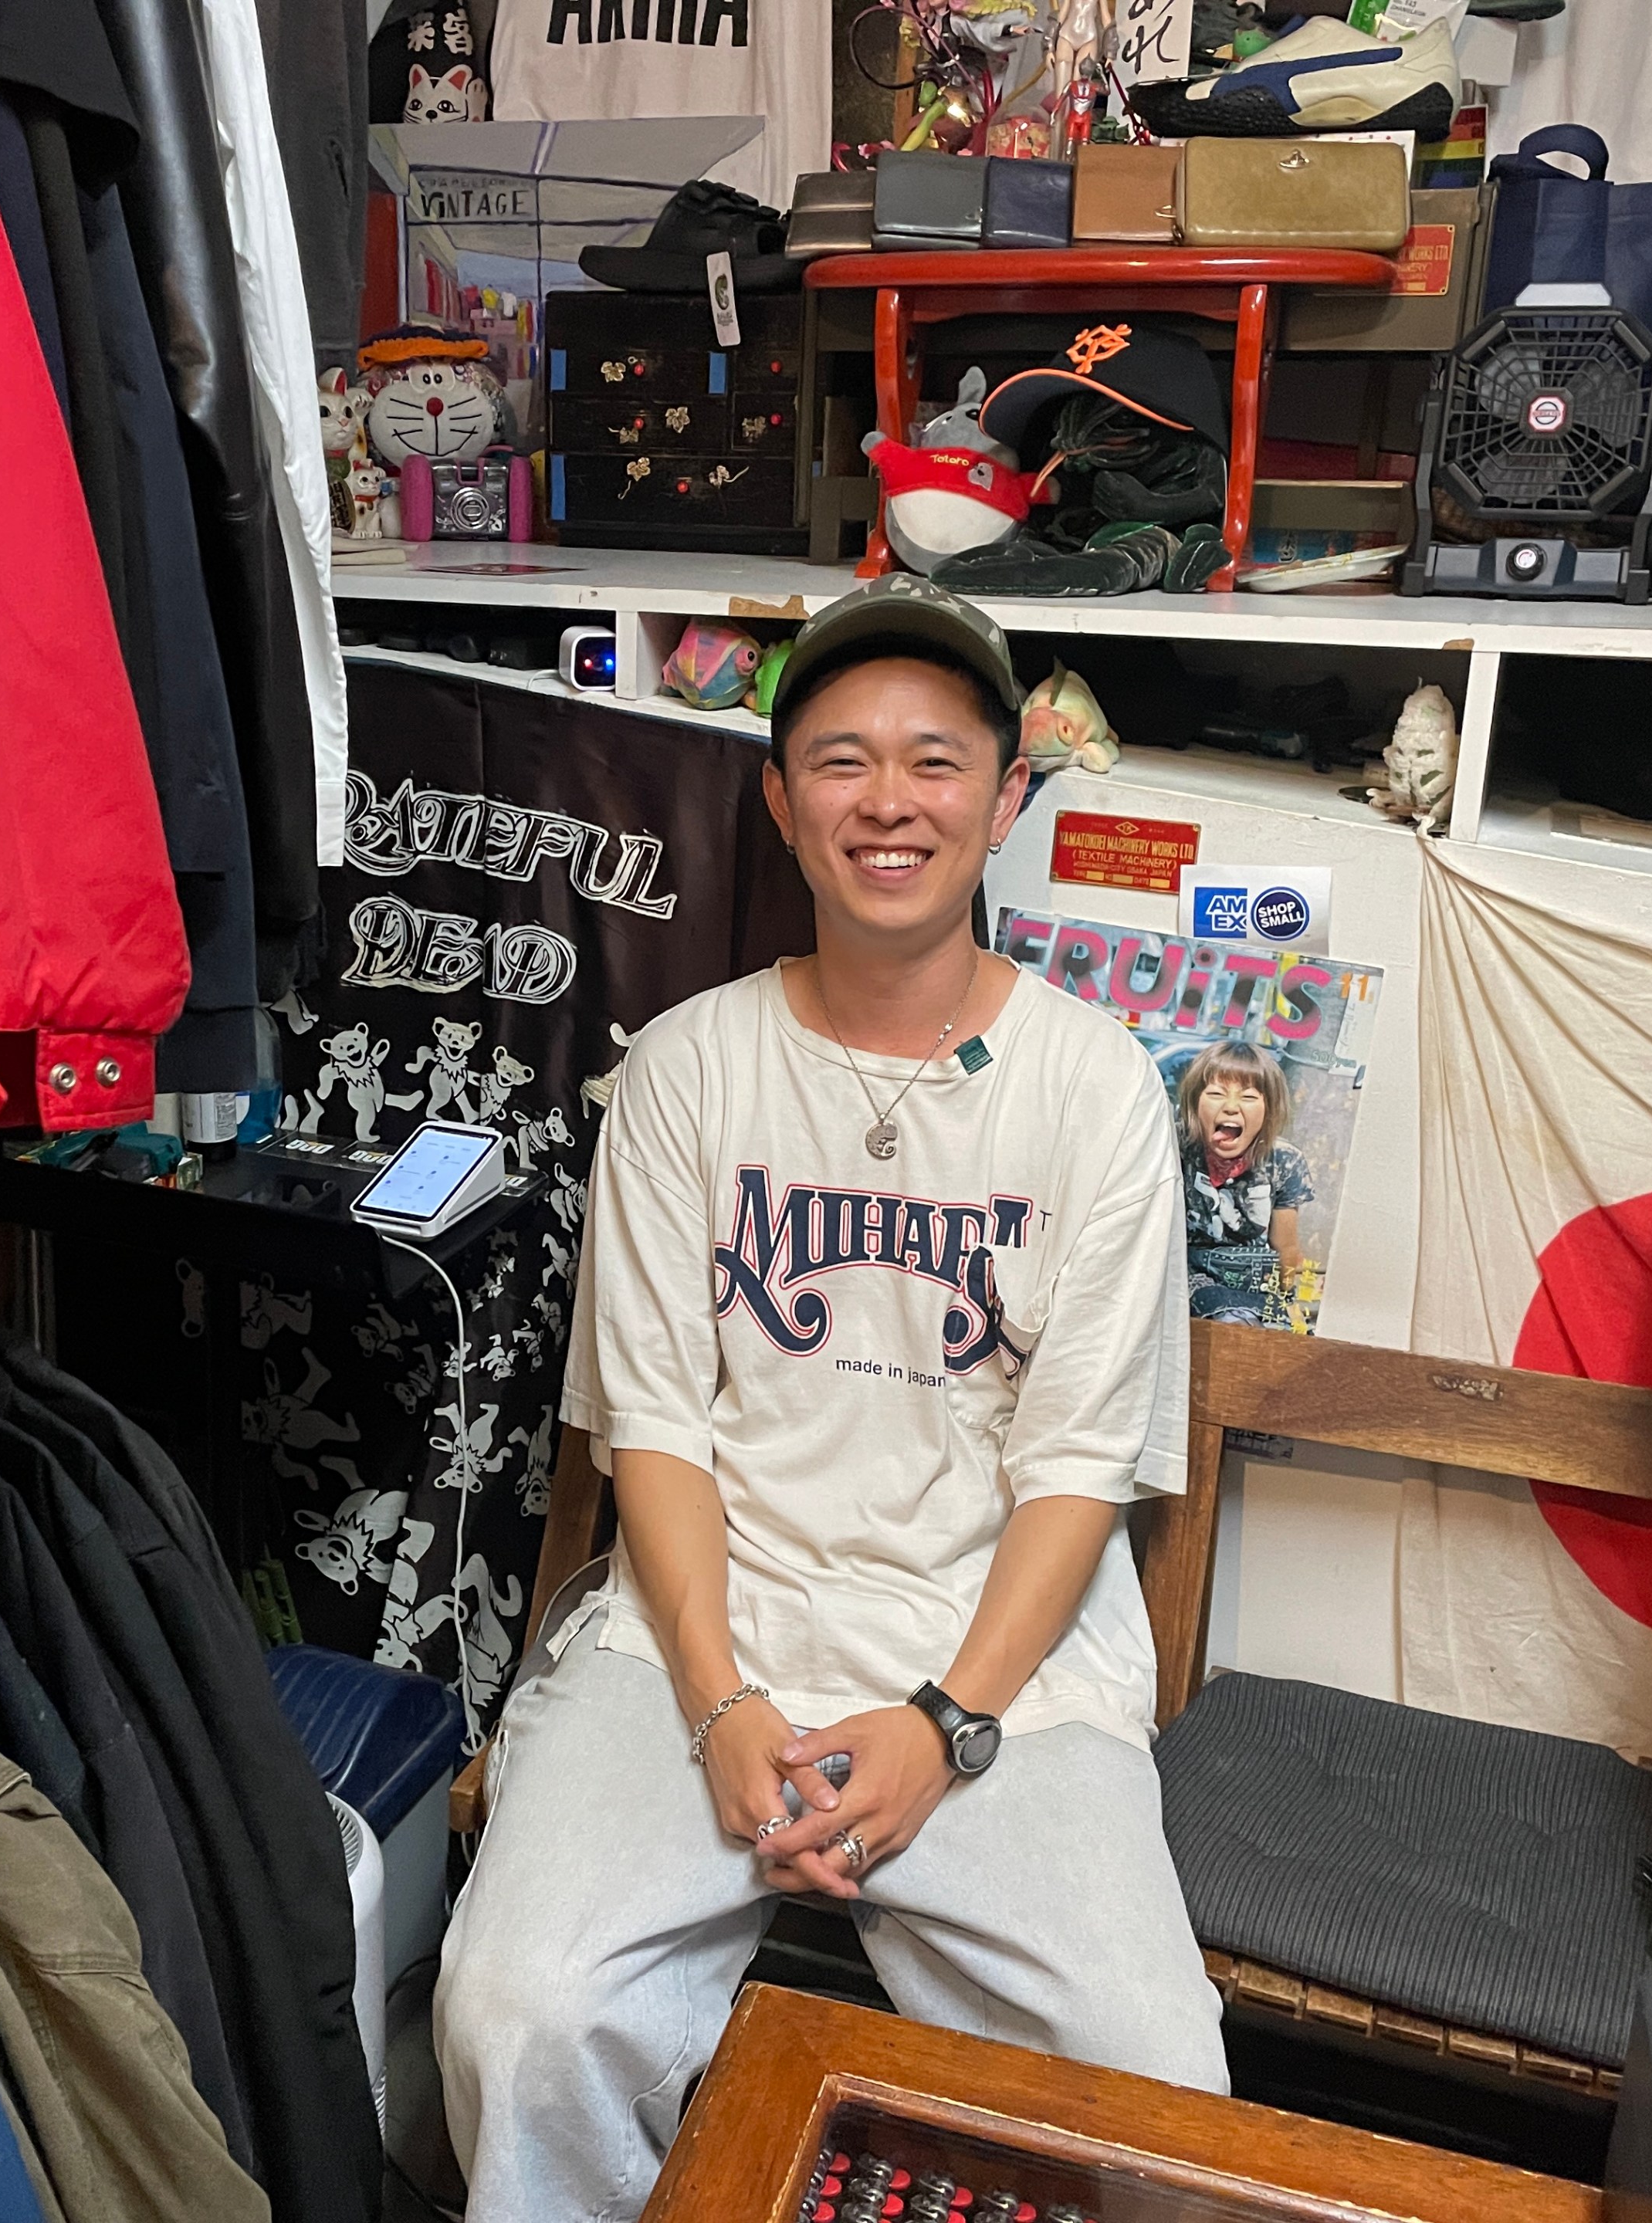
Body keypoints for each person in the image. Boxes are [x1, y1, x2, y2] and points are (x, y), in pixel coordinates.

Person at [434, 575, 1227, 2219]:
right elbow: (651, 1423)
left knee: (1163, 2092)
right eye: (844, 760)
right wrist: (724, 1707)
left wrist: (944, 1727)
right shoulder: (684, 1073)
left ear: (1008, 799)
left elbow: (1081, 1466)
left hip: (997, 1653)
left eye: (938, 762)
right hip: (705, 1631)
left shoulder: (1095, 1091)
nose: (891, 802)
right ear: (782, 803)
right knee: (520, 2017)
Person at [1176, 1040, 1313, 1325]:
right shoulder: (1172, 1147)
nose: (1231, 1107)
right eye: (1216, 1094)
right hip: (1189, 1277)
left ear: (1269, 1110)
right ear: (1193, 1102)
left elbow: (1286, 1247)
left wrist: (1287, 1306)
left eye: (1249, 1098)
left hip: (1255, 1284)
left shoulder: (1285, 1162)